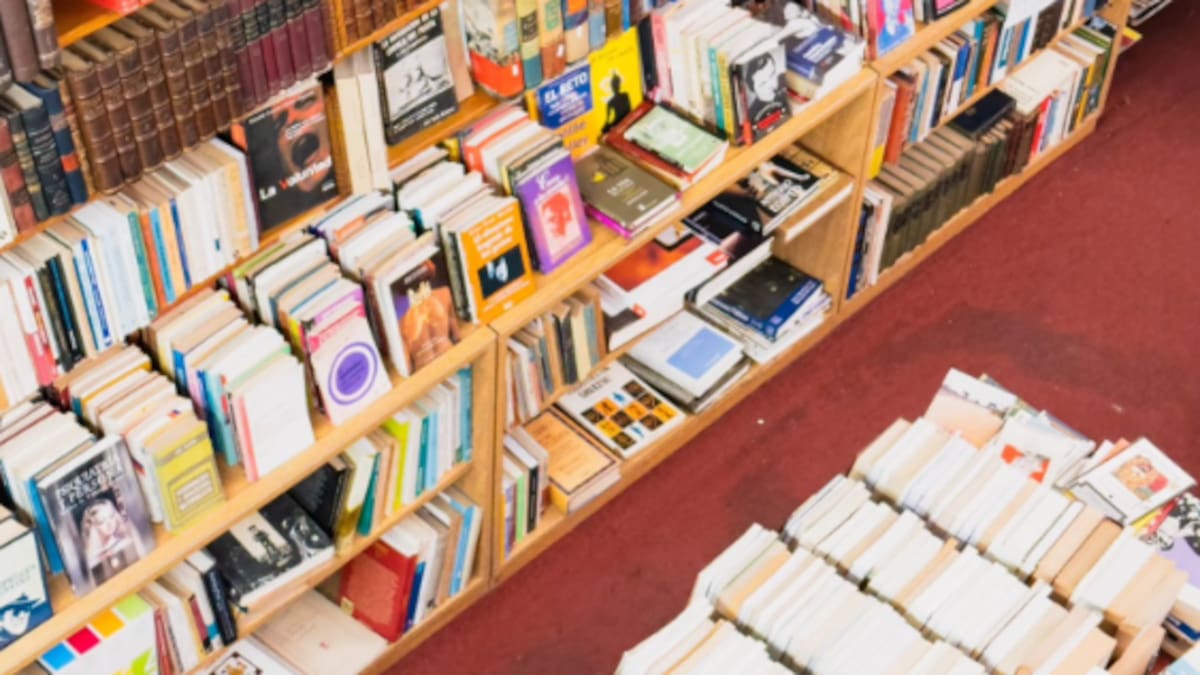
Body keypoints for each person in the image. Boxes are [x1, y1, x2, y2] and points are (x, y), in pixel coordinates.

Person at [79, 498, 137, 586]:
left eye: (111, 517)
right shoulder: (90, 558)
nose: (109, 523)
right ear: (92, 527)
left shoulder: (126, 542)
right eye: (101, 521)